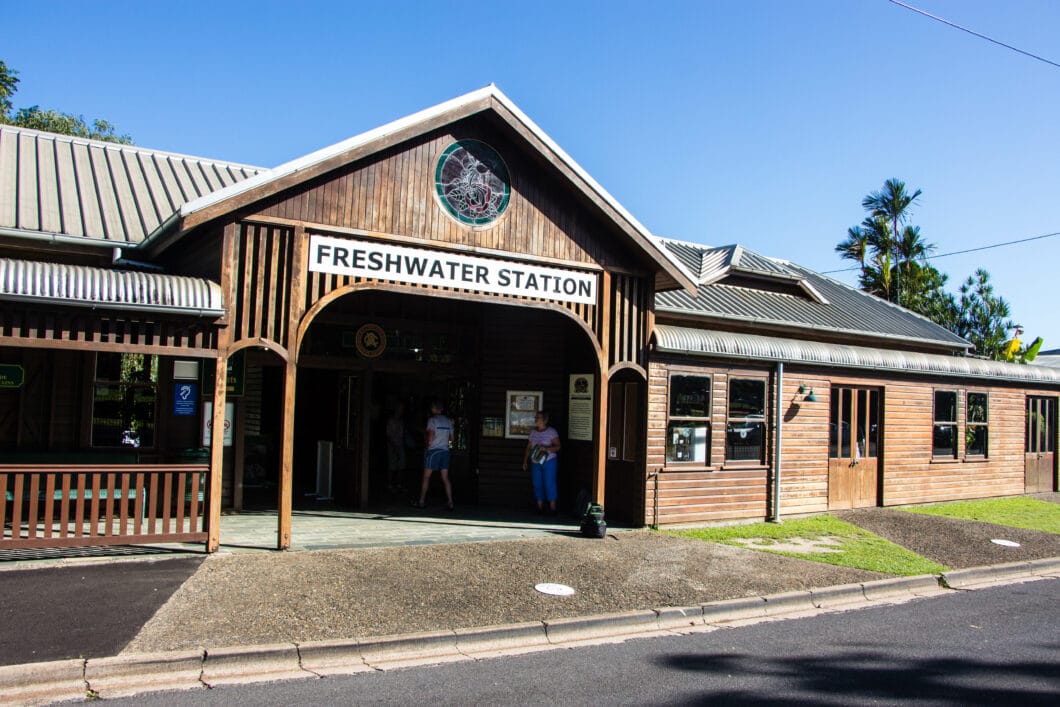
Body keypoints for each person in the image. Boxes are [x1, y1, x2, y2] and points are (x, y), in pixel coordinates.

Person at [413, 399, 454, 510]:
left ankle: (421, 501)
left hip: (434, 451)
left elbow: (430, 437)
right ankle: (450, 502)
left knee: (426, 477)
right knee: (445, 478)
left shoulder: (432, 420)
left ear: (434, 409)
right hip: (445, 452)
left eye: (432, 408)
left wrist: (427, 446)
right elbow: (452, 438)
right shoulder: (448, 421)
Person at [523, 410, 561, 514]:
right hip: (536, 461)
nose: (535, 419)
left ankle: (552, 508)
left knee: (549, 483)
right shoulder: (533, 432)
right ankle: (539, 507)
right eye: (535, 417)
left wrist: (547, 449)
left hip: (549, 461)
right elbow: (528, 447)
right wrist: (525, 460)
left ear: (544, 420)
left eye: (538, 418)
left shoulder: (551, 432)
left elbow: (558, 446)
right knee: (537, 483)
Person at [385, 402, 406, 492]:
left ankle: (399, 484)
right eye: (400, 408)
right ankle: (390, 484)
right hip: (392, 446)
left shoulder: (401, 421)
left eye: (402, 409)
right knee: (392, 466)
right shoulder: (391, 421)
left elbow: (402, 435)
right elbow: (388, 434)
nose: (402, 411)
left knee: (401, 465)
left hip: (400, 445)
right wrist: (393, 446)